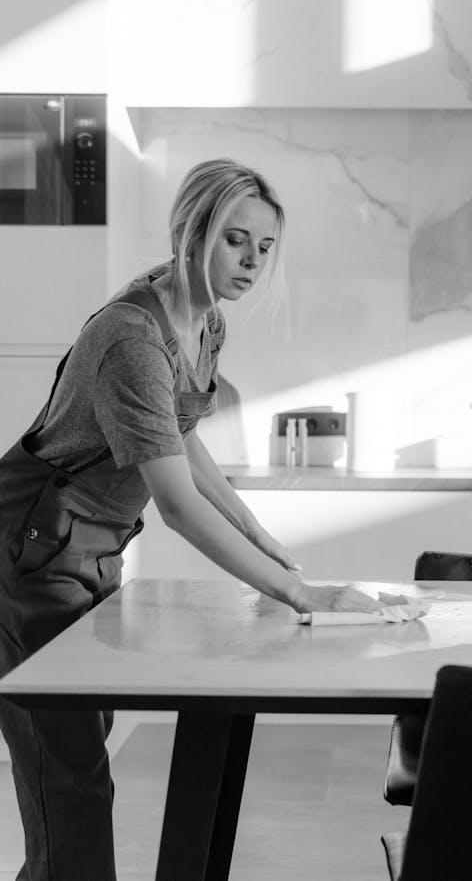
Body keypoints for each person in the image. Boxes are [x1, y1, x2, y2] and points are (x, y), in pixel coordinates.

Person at [0, 157, 381, 881]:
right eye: (236, 240)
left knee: (76, 764)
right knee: (68, 777)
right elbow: (176, 505)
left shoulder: (203, 322)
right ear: (191, 230)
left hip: (90, 551)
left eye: (264, 248)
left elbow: (178, 433)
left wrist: (259, 536)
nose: (251, 262)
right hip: (29, 553)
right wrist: (293, 592)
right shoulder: (132, 338)